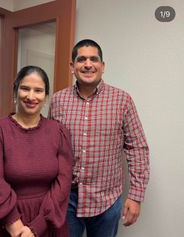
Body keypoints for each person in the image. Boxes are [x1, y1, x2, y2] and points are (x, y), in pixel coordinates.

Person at [49, 39, 150, 237]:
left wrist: (136, 197)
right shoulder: (58, 100)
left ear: (102, 67)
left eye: (94, 59)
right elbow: (51, 147)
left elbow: (137, 148)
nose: (88, 64)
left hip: (107, 200)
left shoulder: (122, 100)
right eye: (81, 59)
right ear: (72, 66)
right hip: (65, 198)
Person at [0, 65, 73, 237]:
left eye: (38, 90)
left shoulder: (58, 132)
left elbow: (63, 184)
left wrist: (37, 226)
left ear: (46, 96)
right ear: (15, 91)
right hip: (5, 222)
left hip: (48, 220)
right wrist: (14, 224)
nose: (31, 96)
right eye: (25, 89)